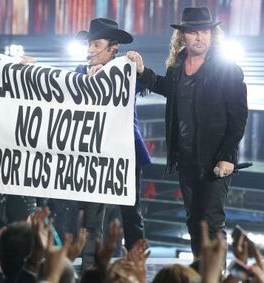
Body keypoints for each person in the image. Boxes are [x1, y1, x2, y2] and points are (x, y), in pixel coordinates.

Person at [129, 6, 248, 259]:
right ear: (182, 36)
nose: (199, 37)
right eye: (193, 32)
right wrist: (142, 71)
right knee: (194, 221)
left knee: (211, 221)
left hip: (216, 159)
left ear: (212, 34)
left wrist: (228, 156)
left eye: (204, 31)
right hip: (186, 158)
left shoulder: (227, 68)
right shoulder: (177, 68)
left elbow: (238, 116)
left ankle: (215, 275)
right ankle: (200, 270)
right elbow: (165, 87)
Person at [50, 18, 151, 269]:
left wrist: (139, 69)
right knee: (93, 218)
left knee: (131, 213)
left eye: (96, 44)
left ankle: (137, 264)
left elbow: (145, 86)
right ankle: (91, 268)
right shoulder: (79, 73)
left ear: (113, 47)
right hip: (94, 156)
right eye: (89, 45)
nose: (90, 50)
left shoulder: (125, 70)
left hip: (126, 154)